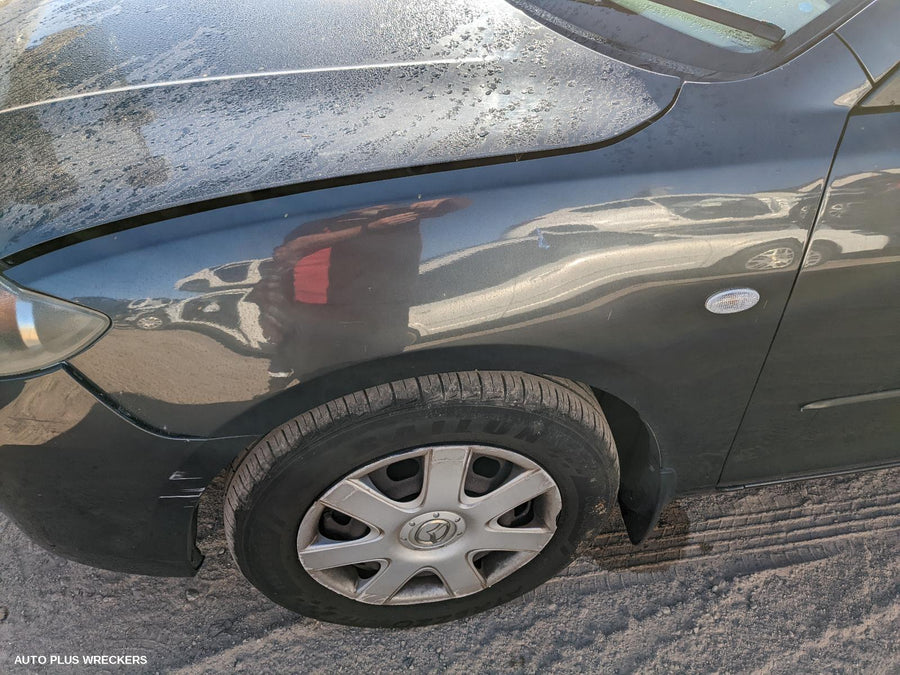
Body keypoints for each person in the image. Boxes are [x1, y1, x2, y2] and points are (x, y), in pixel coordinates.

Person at [250, 197, 471, 390]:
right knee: (321, 392)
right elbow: (290, 250)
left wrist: (443, 202)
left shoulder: (402, 220)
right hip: (318, 321)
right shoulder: (315, 223)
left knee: (381, 390)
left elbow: (463, 202)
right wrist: (369, 228)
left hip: (382, 318)